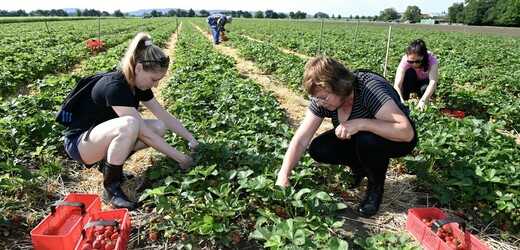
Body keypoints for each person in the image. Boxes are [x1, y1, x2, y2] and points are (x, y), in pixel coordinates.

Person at [63, 32, 199, 210]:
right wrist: (181, 158)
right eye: (154, 80)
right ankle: (110, 189)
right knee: (130, 124)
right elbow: (144, 134)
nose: (156, 85)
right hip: (80, 144)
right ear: (139, 68)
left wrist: (191, 140)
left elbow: (163, 115)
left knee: (158, 127)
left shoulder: (137, 84)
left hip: (99, 138)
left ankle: (108, 165)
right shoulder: (114, 87)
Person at [275, 56, 418, 217]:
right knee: (318, 148)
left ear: (339, 86)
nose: (319, 102)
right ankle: (360, 167)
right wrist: (283, 175)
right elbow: (301, 139)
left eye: (323, 97)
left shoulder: (368, 89)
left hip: (396, 138)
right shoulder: (322, 99)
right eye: (316, 98)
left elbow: (406, 132)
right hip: (363, 137)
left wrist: (361, 123)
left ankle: (376, 186)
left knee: (367, 139)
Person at [393, 39, 439, 111]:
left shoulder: (431, 58)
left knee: (424, 89)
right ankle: (405, 101)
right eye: (411, 62)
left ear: (423, 57)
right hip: (411, 82)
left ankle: (424, 104)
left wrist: (423, 101)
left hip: (424, 82)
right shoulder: (405, 60)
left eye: (417, 61)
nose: (414, 64)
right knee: (409, 73)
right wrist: (400, 101)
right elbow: (397, 85)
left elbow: (433, 82)